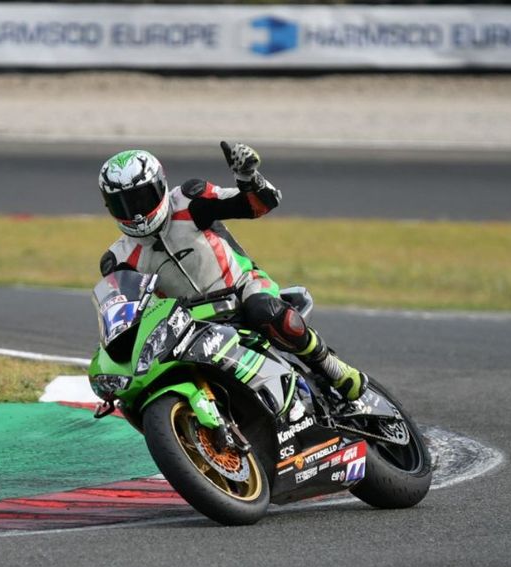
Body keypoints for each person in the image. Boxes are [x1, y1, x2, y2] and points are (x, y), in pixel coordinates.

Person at [97, 142, 365, 401]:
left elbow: (258, 204)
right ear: (111, 208)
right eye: (125, 205)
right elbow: (126, 319)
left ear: (161, 186)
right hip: (190, 321)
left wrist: (247, 176)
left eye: (142, 198)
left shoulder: (190, 199)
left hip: (241, 288)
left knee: (264, 310)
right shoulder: (118, 259)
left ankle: (333, 368)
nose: (137, 213)